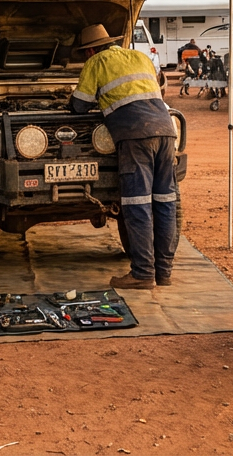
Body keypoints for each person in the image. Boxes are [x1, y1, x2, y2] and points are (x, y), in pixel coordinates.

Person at [70, 23, 179, 290]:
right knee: (165, 203)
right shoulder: (141, 56)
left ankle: (142, 274)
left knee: (137, 204)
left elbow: (79, 106)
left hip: (134, 136)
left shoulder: (96, 62)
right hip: (165, 132)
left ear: (91, 50)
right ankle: (163, 273)